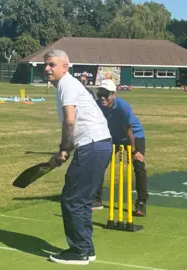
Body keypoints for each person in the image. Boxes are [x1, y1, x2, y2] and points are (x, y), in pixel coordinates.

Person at [44, 50, 112, 265]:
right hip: (100, 144)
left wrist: (64, 148)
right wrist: (65, 149)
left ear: (65, 66)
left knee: (72, 200)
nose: (47, 68)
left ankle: (78, 251)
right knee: (82, 201)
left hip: (92, 146)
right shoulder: (69, 85)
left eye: (52, 65)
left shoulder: (66, 84)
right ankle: (87, 249)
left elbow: (70, 121)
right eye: (45, 65)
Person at [94, 79, 148, 217]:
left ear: (114, 95)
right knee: (99, 164)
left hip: (134, 137)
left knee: (139, 166)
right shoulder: (98, 105)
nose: (102, 97)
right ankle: (96, 199)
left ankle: (141, 202)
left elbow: (129, 130)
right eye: (100, 93)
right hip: (114, 137)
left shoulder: (123, 107)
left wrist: (135, 151)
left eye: (105, 94)